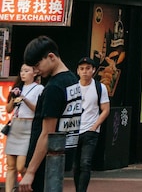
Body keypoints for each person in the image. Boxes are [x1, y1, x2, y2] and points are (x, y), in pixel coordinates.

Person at [19, 36, 81, 192]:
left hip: (45, 160)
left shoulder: (54, 88)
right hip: (62, 153)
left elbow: (47, 133)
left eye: (37, 65)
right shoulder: (73, 80)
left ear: (51, 57)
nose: (36, 70)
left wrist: (31, 171)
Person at [72, 57, 109, 192]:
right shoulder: (73, 88)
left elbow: (105, 109)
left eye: (88, 68)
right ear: (77, 71)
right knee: (76, 165)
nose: (85, 72)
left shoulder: (100, 87)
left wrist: (95, 126)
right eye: (82, 69)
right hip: (75, 130)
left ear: (93, 70)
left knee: (85, 163)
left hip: (91, 130)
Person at [5, 64, 41, 192]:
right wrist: (14, 99)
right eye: (21, 71)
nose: (23, 73)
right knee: (10, 166)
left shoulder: (39, 88)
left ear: (35, 72)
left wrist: (24, 99)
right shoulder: (17, 87)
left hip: (28, 126)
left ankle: (29, 186)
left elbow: (38, 110)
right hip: (15, 125)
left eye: (26, 71)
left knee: (21, 166)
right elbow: (8, 109)